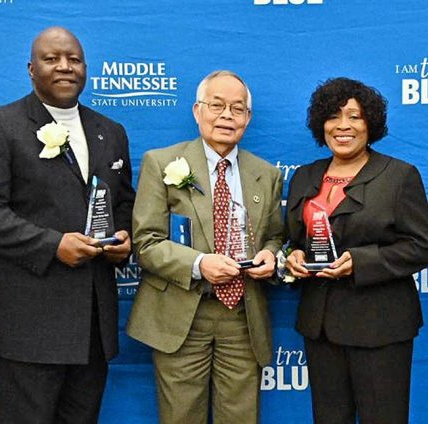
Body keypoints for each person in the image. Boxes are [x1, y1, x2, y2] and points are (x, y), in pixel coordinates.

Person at [0, 27, 135, 423]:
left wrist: (124, 238)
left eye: (74, 59)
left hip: (93, 329)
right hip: (29, 328)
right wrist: (52, 245)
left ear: (85, 68)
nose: (65, 67)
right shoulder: (1, 126)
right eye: (51, 59)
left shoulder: (111, 132)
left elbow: (124, 202)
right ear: (31, 69)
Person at [126, 70, 283, 424]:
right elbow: (146, 242)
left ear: (248, 118)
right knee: (180, 417)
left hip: (242, 317)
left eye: (237, 108)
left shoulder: (267, 174)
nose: (227, 116)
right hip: (181, 314)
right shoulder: (162, 163)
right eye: (217, 105)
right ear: (197, 111)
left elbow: (275, 236)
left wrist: (271, 255)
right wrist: (199, 264)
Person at [284, 77, 428, 424]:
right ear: (321, 124)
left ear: (371, 124)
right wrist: (293, 256)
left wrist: (360, 261)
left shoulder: (399, 176)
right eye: (333, 116)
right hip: (320, 324)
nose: (343, 126)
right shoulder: (304, 176)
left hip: (380, 326)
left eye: (354, 116)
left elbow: (424, 246)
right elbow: (295, 238)